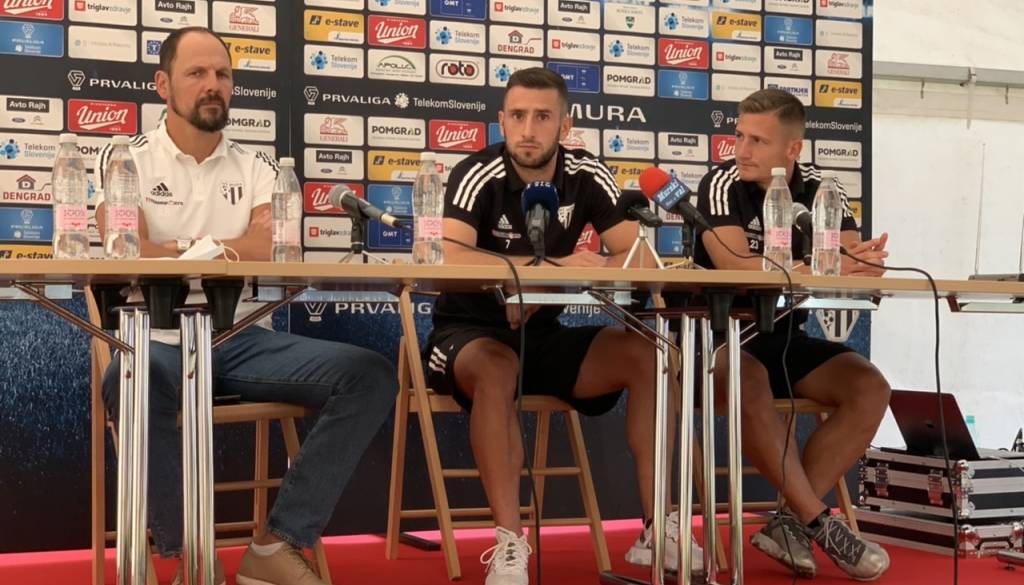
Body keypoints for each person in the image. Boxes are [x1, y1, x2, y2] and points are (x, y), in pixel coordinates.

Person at [94, 27, 397, 585]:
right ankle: (190, 559)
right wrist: (219, 247)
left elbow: (276, 247)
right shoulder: (125, 158)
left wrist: (179, 248)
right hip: (157, 340)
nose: (213, 85)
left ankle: (278, 544)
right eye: (197, 73)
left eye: (223, 74)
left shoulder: (261, 167)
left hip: (242, 336)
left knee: (369, 375)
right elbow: (126, 247)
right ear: (162, 85)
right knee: (131, 376)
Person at [424, 67, 699, 585]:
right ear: (502, 121)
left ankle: (658, 527)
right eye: (518, 116)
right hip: (467, 336)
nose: (528, 129)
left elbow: (639, 260)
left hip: (543, 339)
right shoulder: (476, 172)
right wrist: (546, 269)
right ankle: (510, 545)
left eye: (542, 117)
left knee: (650, 355)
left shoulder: (586, 173)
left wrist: (560, 279)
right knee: (497, 366)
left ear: (565, 126)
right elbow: (448, 261)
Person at [694, 88, 892, 581]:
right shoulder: (720, 183)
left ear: (793, 149)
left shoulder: (824, 188)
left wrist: (861, 263)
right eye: (739, 135)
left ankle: (790, 523)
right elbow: (734, 265)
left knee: (870, 387)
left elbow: (848, 262)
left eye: (758, 141)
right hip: (720, 339)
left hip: (783, 337)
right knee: (748, 377)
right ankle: (818, 521)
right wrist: (823, 264)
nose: (742, 150)